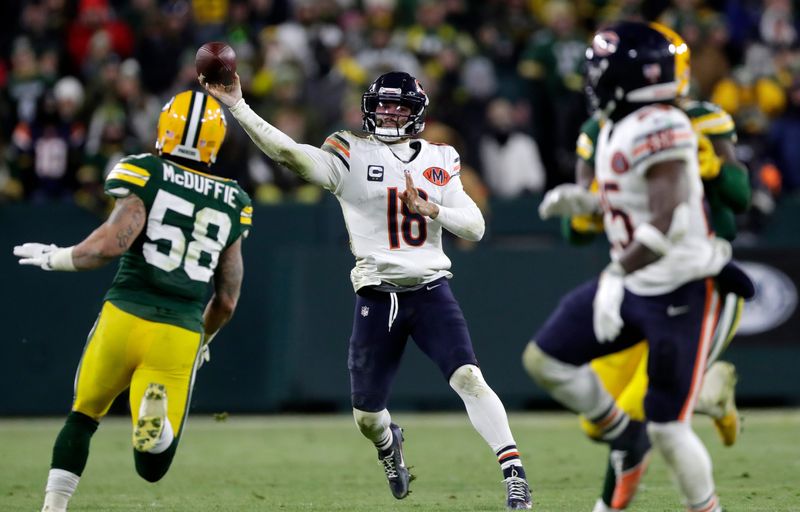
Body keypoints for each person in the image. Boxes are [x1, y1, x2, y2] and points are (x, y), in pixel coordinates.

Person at [202, 71, 533, 510]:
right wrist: (239, 106)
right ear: (368, 108)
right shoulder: (349, 151)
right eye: (383, 105)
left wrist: (432, 207)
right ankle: (388, 443)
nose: (390, 112)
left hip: (431, 288)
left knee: (469, 377)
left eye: (400, 106)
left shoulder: (441, 156)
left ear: (417, 113)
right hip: (377, 295)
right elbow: (289, 154)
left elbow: (475, 225)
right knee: (367, 416)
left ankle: (514, 475)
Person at [523, 21, 738, 512]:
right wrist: (583, 202)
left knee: (668, 427)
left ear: (628, 74)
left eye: (600, 68)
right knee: (545, 359)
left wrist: (617, 275)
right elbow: (628, 206)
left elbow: (666, 221)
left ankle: (704, 505)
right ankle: (625, 437)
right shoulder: (615, 126)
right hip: (637, 276)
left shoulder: (664, 124)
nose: (592, 78)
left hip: (680, 287)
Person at [13, 90, 251, 512]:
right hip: (178, 331)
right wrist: (205, 340)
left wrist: (56, 257)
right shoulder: (234, 200)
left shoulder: (143, 171)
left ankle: (53, 507)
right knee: (152, 466)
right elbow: (227, 299)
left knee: (82, 416)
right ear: (216, 141)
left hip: (123, 315)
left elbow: (106, 247)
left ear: (165, 128)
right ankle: (152, 426)